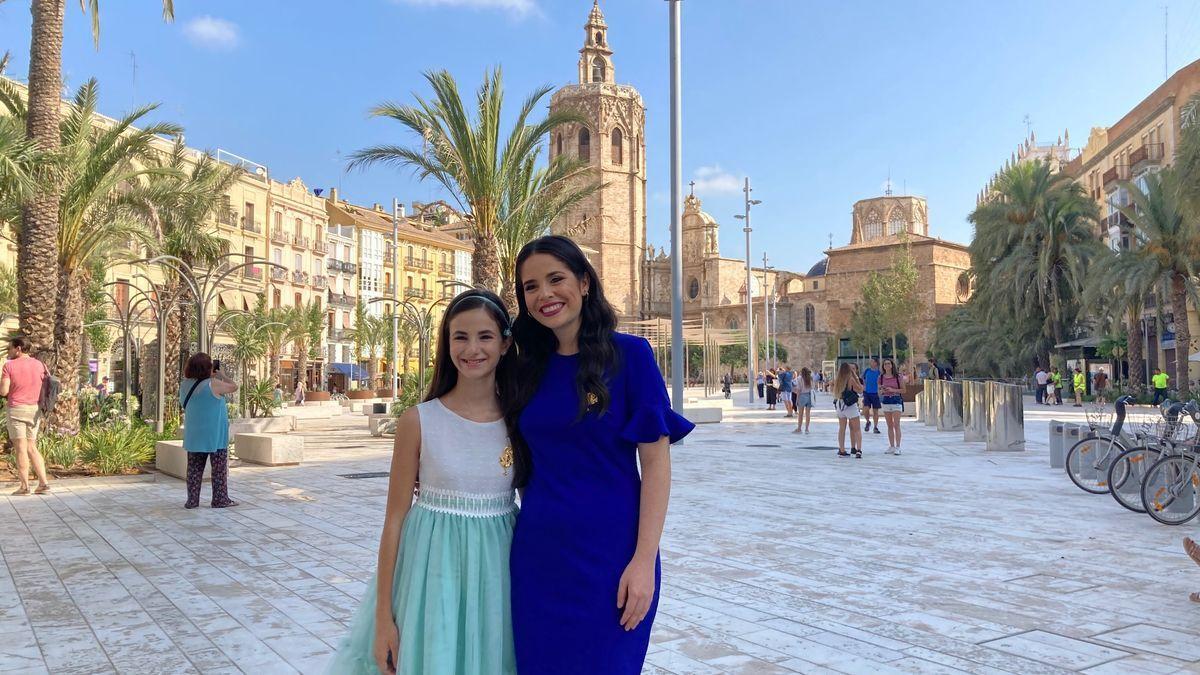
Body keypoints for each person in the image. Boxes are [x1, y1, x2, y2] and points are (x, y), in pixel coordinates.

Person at [506, 236, 693, 673]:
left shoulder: (631, 356)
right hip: (538, 558)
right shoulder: (524, 367)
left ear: (584, 282)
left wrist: (643, 561)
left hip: (613, 558)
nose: (545, 294)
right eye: (531, 286)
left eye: (556, 279)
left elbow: (656, 466)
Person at [327, 290, 519, 674]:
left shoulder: (520, 421)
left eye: (485, 336)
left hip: (498, 580)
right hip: (429, 579)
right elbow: (394, 519)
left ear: (504, 344)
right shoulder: (419, 421)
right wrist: (383, 617)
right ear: (447, 344)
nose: (472, 348)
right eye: (460, 337)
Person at [179, 353, 238, 509]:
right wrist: (222, 375)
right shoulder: (213, 384)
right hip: (214, 434)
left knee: (194, 469)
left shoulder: (185, 385)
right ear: (207, 368)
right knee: (218, 469)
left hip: (194, 434)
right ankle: (220, 499)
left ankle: (192, 501)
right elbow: (234, 387)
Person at [0, 337, 50, 496]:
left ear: (18, 348)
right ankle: (43, 483)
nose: (8, 351)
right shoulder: (40, 365)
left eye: (10, 348)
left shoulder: (9, 366)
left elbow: (4, 391)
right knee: (32, 447)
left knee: (21, 448)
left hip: (17, 409)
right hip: (34, 410)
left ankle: (24, 487)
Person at [833, 362, 864, 458]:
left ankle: (842, 449)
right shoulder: (850, 379)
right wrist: (856, 377)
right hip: (850, 405)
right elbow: (860, 390)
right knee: (857, 428)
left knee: (842, 428)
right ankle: (858, 450)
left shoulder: (837, 380)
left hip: (840, 404)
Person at [878, 358, 907, 455]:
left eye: (888, 363)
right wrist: (882, 390)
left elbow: (903, 390)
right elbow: (879, 391)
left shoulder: (898, 377)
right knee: (889, 425)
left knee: (896, 424)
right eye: (885, 364)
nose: (887, 365)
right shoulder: (881, 377)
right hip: (886, 400)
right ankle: (891, 446)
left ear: (892, 365)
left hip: (896, 400)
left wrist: (892, 390)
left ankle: (898, 446)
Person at [862, 358, 882, 434]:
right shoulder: (867, 371)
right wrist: (864, 387)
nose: (870, 362)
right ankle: (868, 421)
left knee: (875, 411)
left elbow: (881, 382)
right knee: (865, 409)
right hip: (867, 393)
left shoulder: (879, 373)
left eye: (872, 361)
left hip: (875, 393)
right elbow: (863, 379)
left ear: (876, 363)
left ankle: (875, 427)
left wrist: (880, 390)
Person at [793, 367, 814, 434]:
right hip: (809, 396)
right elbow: (812, 387)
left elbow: (799, 390)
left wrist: (797, 399)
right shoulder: (810, 378)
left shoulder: (799, 378)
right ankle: (807, 429)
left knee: (800, 414)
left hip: (802, 396)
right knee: (808, 414)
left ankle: (799, 428)